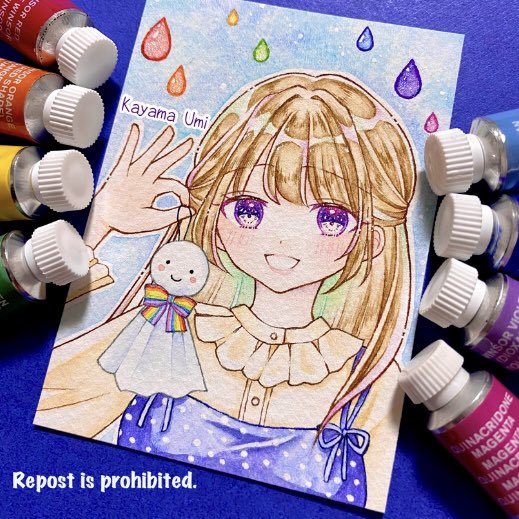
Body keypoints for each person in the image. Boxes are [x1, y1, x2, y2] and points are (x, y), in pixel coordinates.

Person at [36, 71, 417, 511]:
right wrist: (100, 223)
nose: (283, 241)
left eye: (329, 218)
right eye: (250, 209)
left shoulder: (368, 378)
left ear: (371, 241)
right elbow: (49, 398)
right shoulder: (170, 328)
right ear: (215, 218)